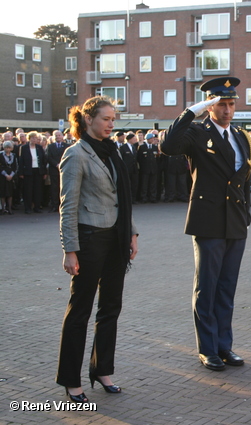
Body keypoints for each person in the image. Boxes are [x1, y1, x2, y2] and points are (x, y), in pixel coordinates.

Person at [160, 77, 251, 372]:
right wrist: (192, 112)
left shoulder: (241, 137)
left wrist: (246, 214)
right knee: (208, 287)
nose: (227, 110)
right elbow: (168, 146)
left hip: (235, 221)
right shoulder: (198, 133)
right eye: (221, 104)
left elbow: (242, 181)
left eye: (231, 104)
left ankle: (225, 346)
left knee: (227, 289)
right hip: (208, 220)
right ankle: (208, 349)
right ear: (211, 106)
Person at [56, 96, 138, 403]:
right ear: (88, 119)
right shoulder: (75, 155)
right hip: (89, 240)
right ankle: (71, 380)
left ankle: (102, 370)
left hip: (116, 239)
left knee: (110, 309)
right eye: (106, 119)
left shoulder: (112, 151)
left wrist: (131, 233)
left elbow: (122, 197)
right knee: (80, 311)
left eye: (114, 119)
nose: (111, 124)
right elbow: (68, 206)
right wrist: (69, 250)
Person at [18, 131, 47, 214]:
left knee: (37, 190)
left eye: (36, 138)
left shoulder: (39, 147)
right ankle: (28, 208)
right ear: (29, 139)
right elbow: (21, 161)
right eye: (33, 138)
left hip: (38, 171)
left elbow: (43, 160)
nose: (34, 140)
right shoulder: (24, 148)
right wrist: (21, 173)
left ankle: (37, 207)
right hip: (28, 171)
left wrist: (44, 172)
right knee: (28, 190)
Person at [1, 141, 17, 214]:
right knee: (2, 193)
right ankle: (3, 208)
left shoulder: (13, 155)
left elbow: (15, 166)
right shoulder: (1, 155)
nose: (8, 149)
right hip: (3, 176)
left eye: (9, 148)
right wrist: (5, 175)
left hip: (11, 175)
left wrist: (11, 175)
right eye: (6, 148)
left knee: (10, 193)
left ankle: (10, 208)